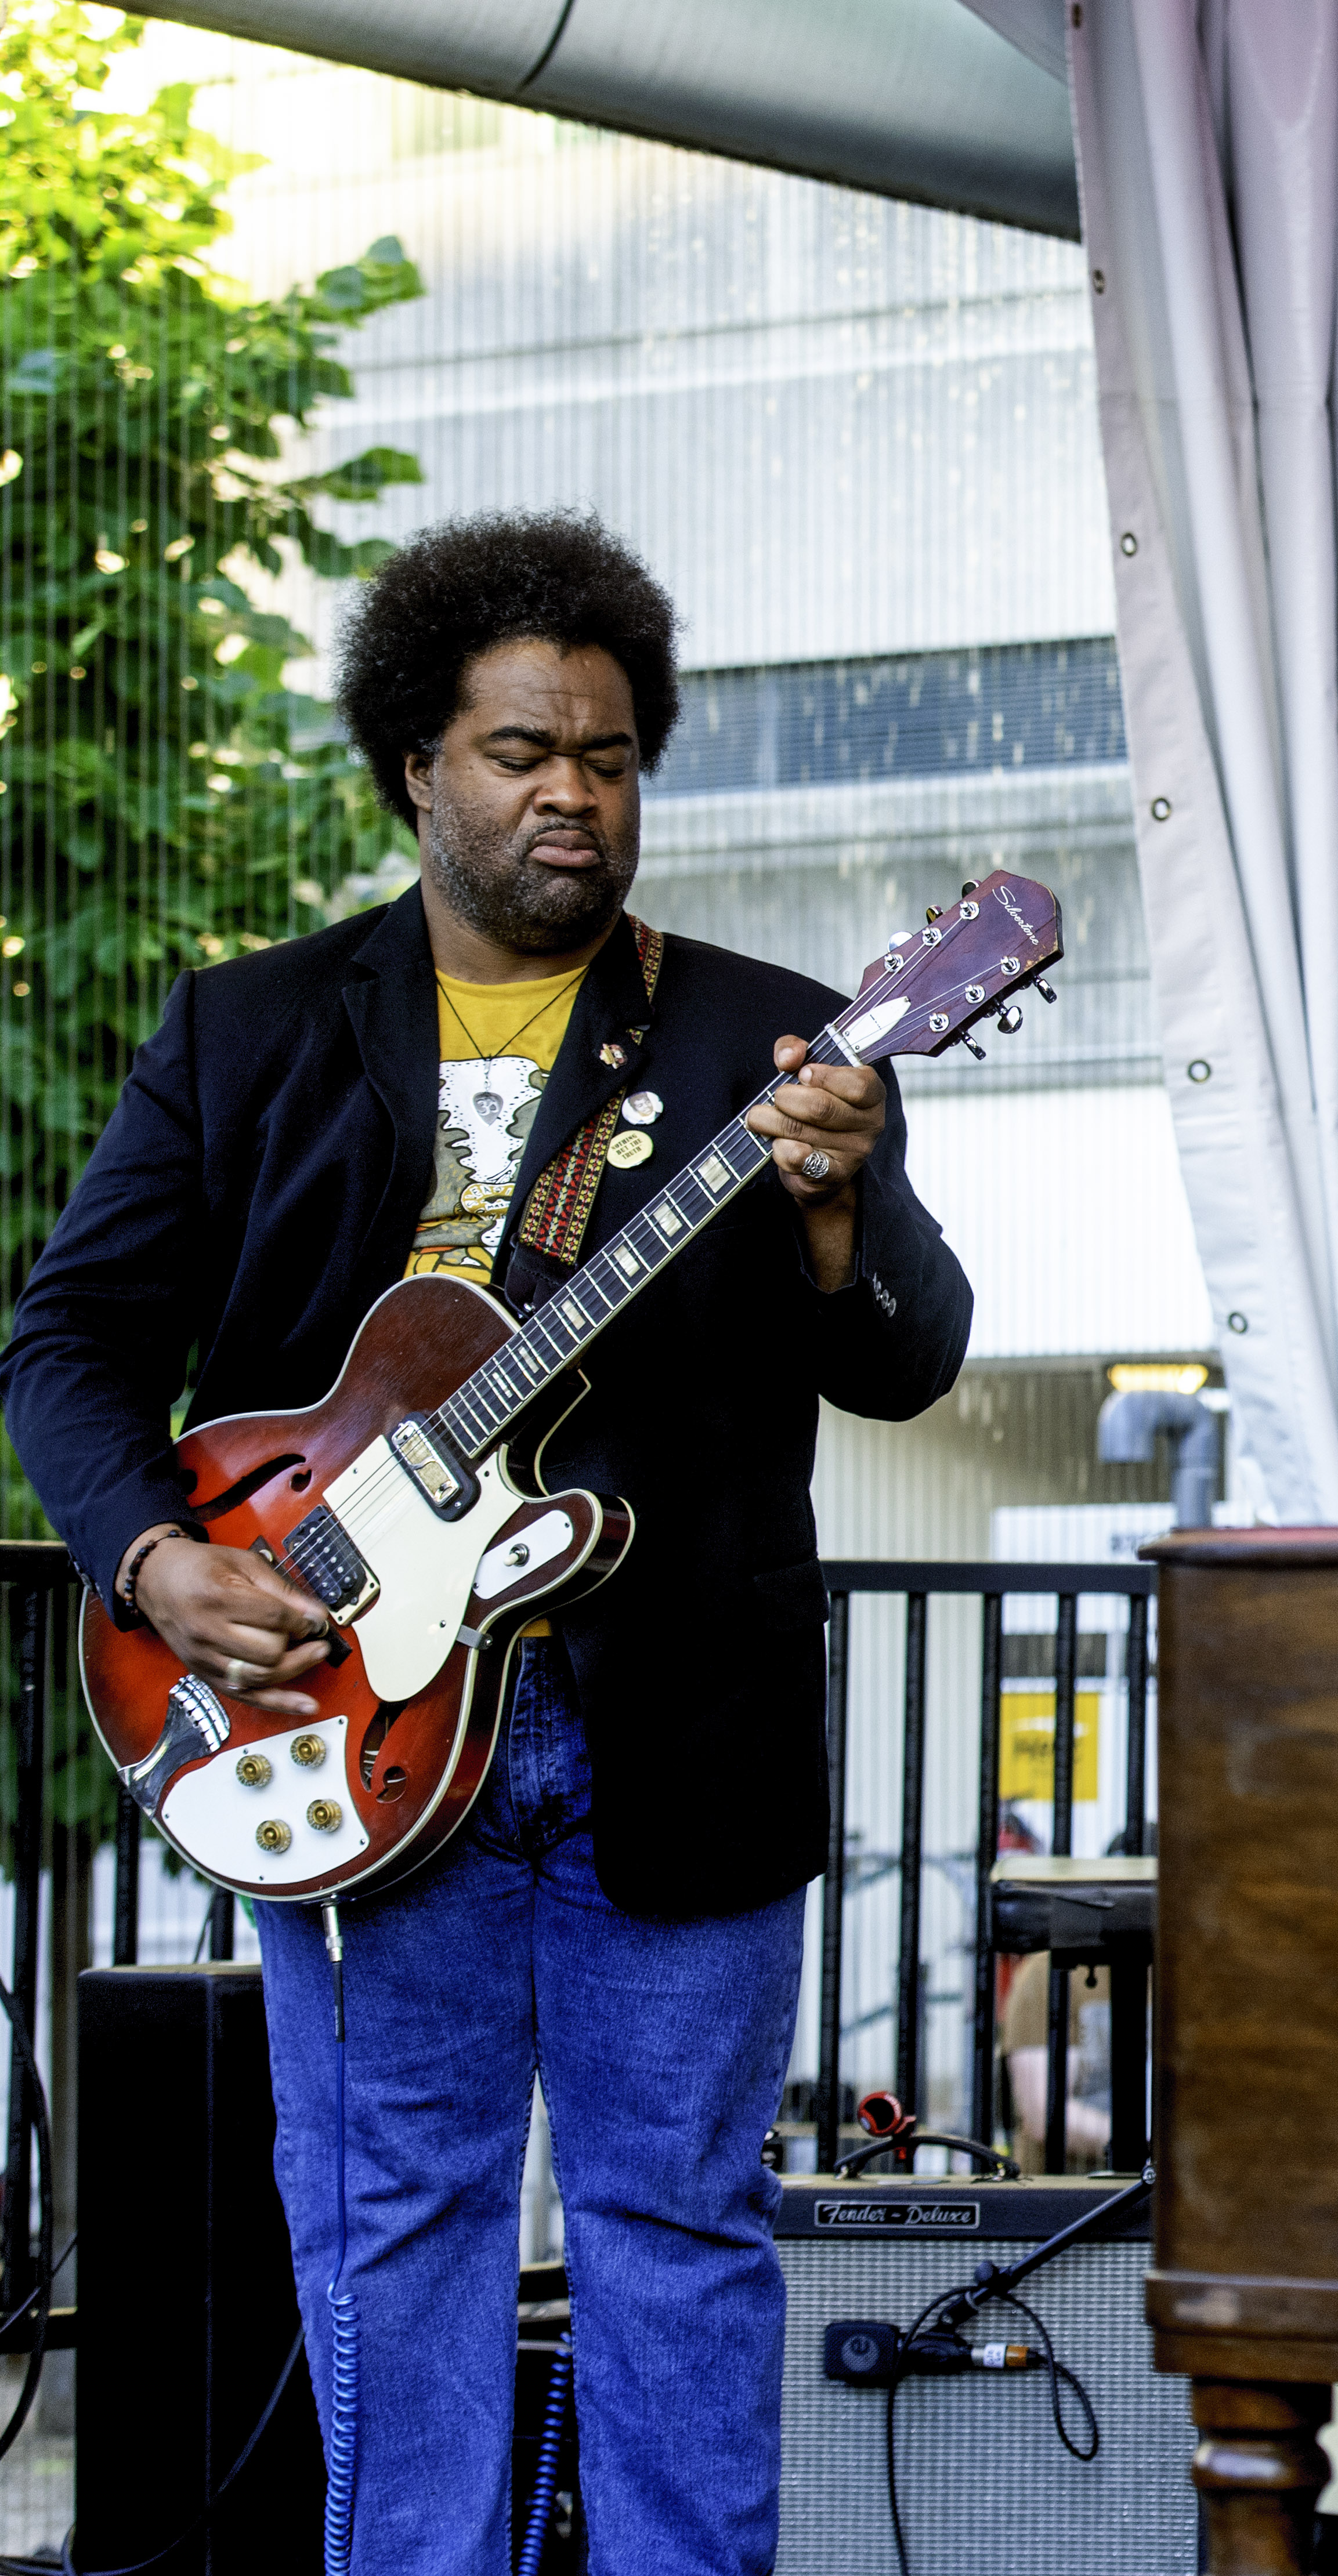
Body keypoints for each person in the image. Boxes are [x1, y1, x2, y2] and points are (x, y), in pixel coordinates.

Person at [1, 512, 973, 2574]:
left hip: (672, 1727)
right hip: (342, 1724)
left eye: (611, 755)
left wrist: (824, 1210)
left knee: (677, 2228)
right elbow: (69, 1342)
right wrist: (158, 1562)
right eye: (525, 748)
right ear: (414, 766)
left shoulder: (769, 1039)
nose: (574, 792)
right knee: (391, 2227)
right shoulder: (248, 1029)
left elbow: (908, 1360)